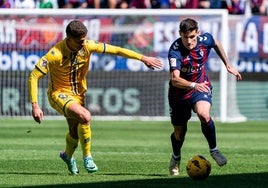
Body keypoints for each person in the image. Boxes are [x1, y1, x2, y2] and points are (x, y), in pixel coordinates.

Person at [28, 20, 162, 175]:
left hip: (78, 95)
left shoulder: (87, 46)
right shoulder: (55, 54)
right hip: (58, 94)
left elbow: (116, 50)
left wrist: (142, 58)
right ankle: (88, 157)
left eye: (84, 40)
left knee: (74, 132)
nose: (83, 43)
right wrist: (35, 105)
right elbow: (34, 76)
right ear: (69, 39)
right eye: (80, 41)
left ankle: (67, 156)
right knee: (85, 116)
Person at [167, 18, 242, 176]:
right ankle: (176, 157)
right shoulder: (175, 50)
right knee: (179, 133)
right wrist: (193, 85)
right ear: (180, 34)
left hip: (200, 87)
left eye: (192, 37)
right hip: (179, 93)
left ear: (197, 33)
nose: (189, 41)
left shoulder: (205, 39)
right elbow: (175, 79)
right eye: (186, 37)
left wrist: (227, 64)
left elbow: (216, 43)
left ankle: (214, 150)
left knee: (203, 113)